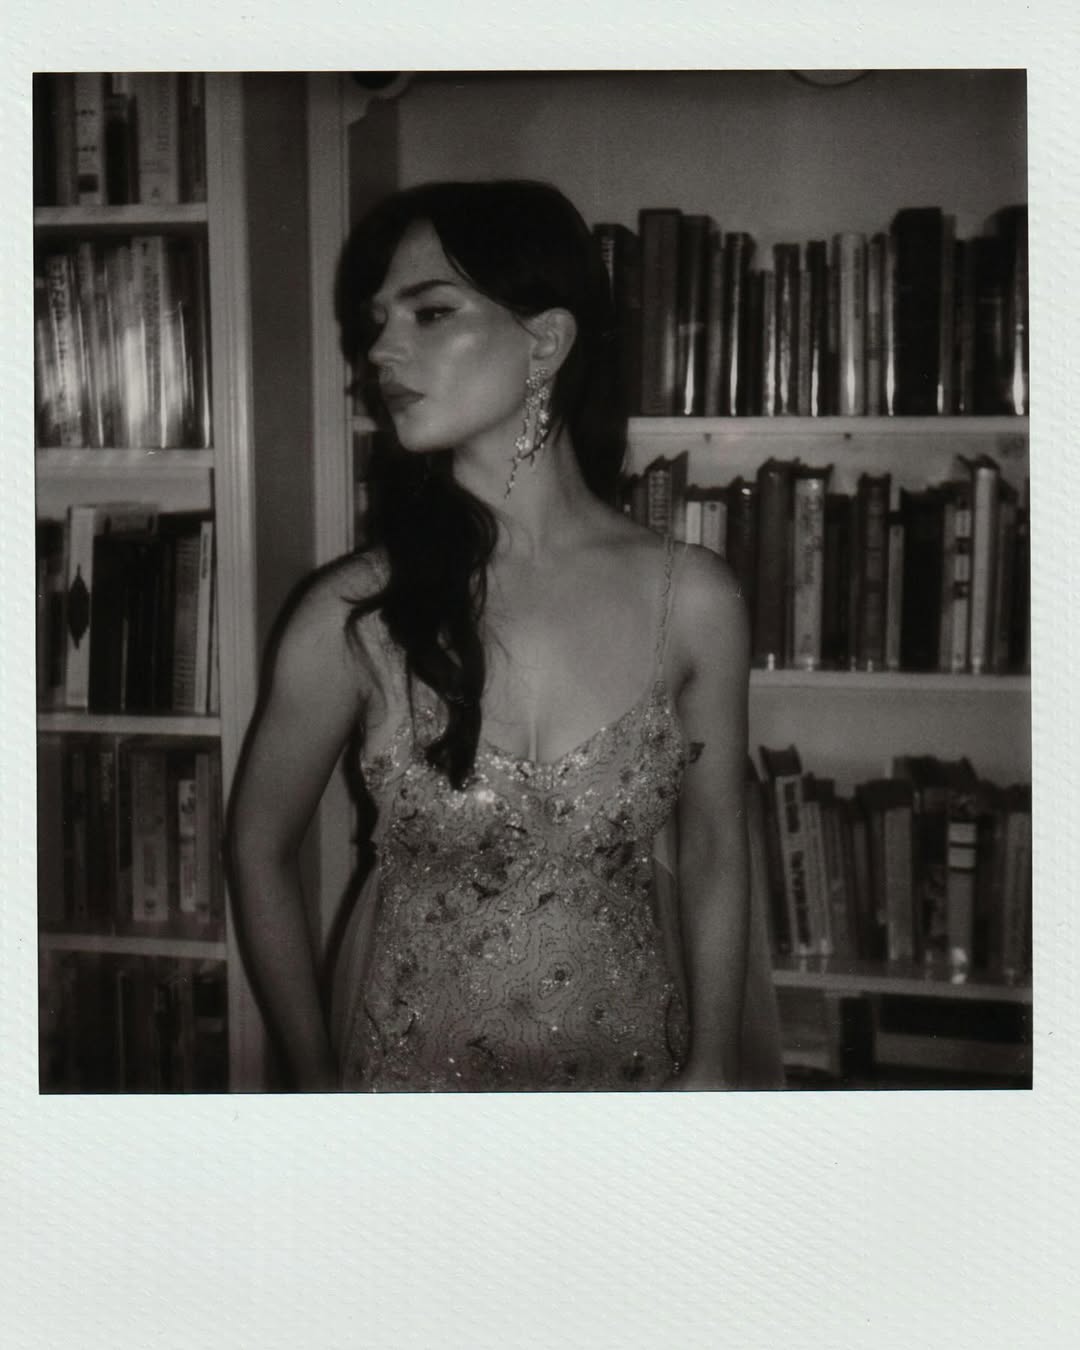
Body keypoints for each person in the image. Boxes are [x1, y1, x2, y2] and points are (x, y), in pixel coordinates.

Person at [227, 179, 782, 1092]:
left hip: (634, 1086)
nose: (380, 349)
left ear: (547, 342)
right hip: (408, 1098)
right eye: (376, 321)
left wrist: (714, 1063)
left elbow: (718, 842)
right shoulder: (354, 613)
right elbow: (258, 845)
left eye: (430, 311)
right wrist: (317, 1087)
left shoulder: (693, 599)